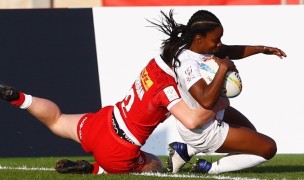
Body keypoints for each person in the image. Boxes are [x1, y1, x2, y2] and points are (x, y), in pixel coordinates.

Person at [0, 47, 230, 173]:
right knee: (155, 165)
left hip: (102, 122)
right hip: (119, 147)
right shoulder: (168, 89)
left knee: (57, 120)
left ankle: (20, 98)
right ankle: (92, 169)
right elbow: (192, 121)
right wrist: (221, 103)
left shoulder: (152, 67)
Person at [148, 9, 287, 174]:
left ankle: (185, 151)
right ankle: (208, 168)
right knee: (268, 148)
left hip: (210, 116)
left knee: (251, 133)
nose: (220, 43)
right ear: (199, 39)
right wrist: (223, 68)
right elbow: (206, 100)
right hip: (203, 130)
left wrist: (262, 49)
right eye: (216, 40)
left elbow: (230, 50)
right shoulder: (188, 64)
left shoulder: (202, 48)